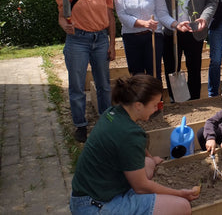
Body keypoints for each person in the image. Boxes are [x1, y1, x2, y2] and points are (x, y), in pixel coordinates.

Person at [70, 75, 198, 215]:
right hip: (96, 206)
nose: (157, 109)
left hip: (87, 194)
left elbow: (132, 147)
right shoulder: (130, 134)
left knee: (149, 163)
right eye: (154, 105)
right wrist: (179, 193)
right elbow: (141, 187)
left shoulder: (113, 112)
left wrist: (152, 159)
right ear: (138, 105)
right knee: (183, 207)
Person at [55, 0, 115, 143]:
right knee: (77, 86)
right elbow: (62, 17)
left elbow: (110, 19)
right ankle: (80, 124)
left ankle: (106, 120)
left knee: (104, 85)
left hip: (100, 40)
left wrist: (112, 44)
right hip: (77, 41)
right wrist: (65, 25)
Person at [156, 0, 218, 100]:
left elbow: (212, 1)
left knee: (194, 68)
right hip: (172, 29)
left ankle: (194, 100)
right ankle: (175, 98)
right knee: (171, 67)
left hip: (194, 29)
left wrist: (205, 17)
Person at [114, 0, 178, 83]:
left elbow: (162, 13)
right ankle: (139, 103)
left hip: (153, 36)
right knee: (136, 75)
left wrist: (176, 24)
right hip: (131, 37)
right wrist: (144, 23)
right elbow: (121, 15)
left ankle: (157, 103)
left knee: (154, 73)